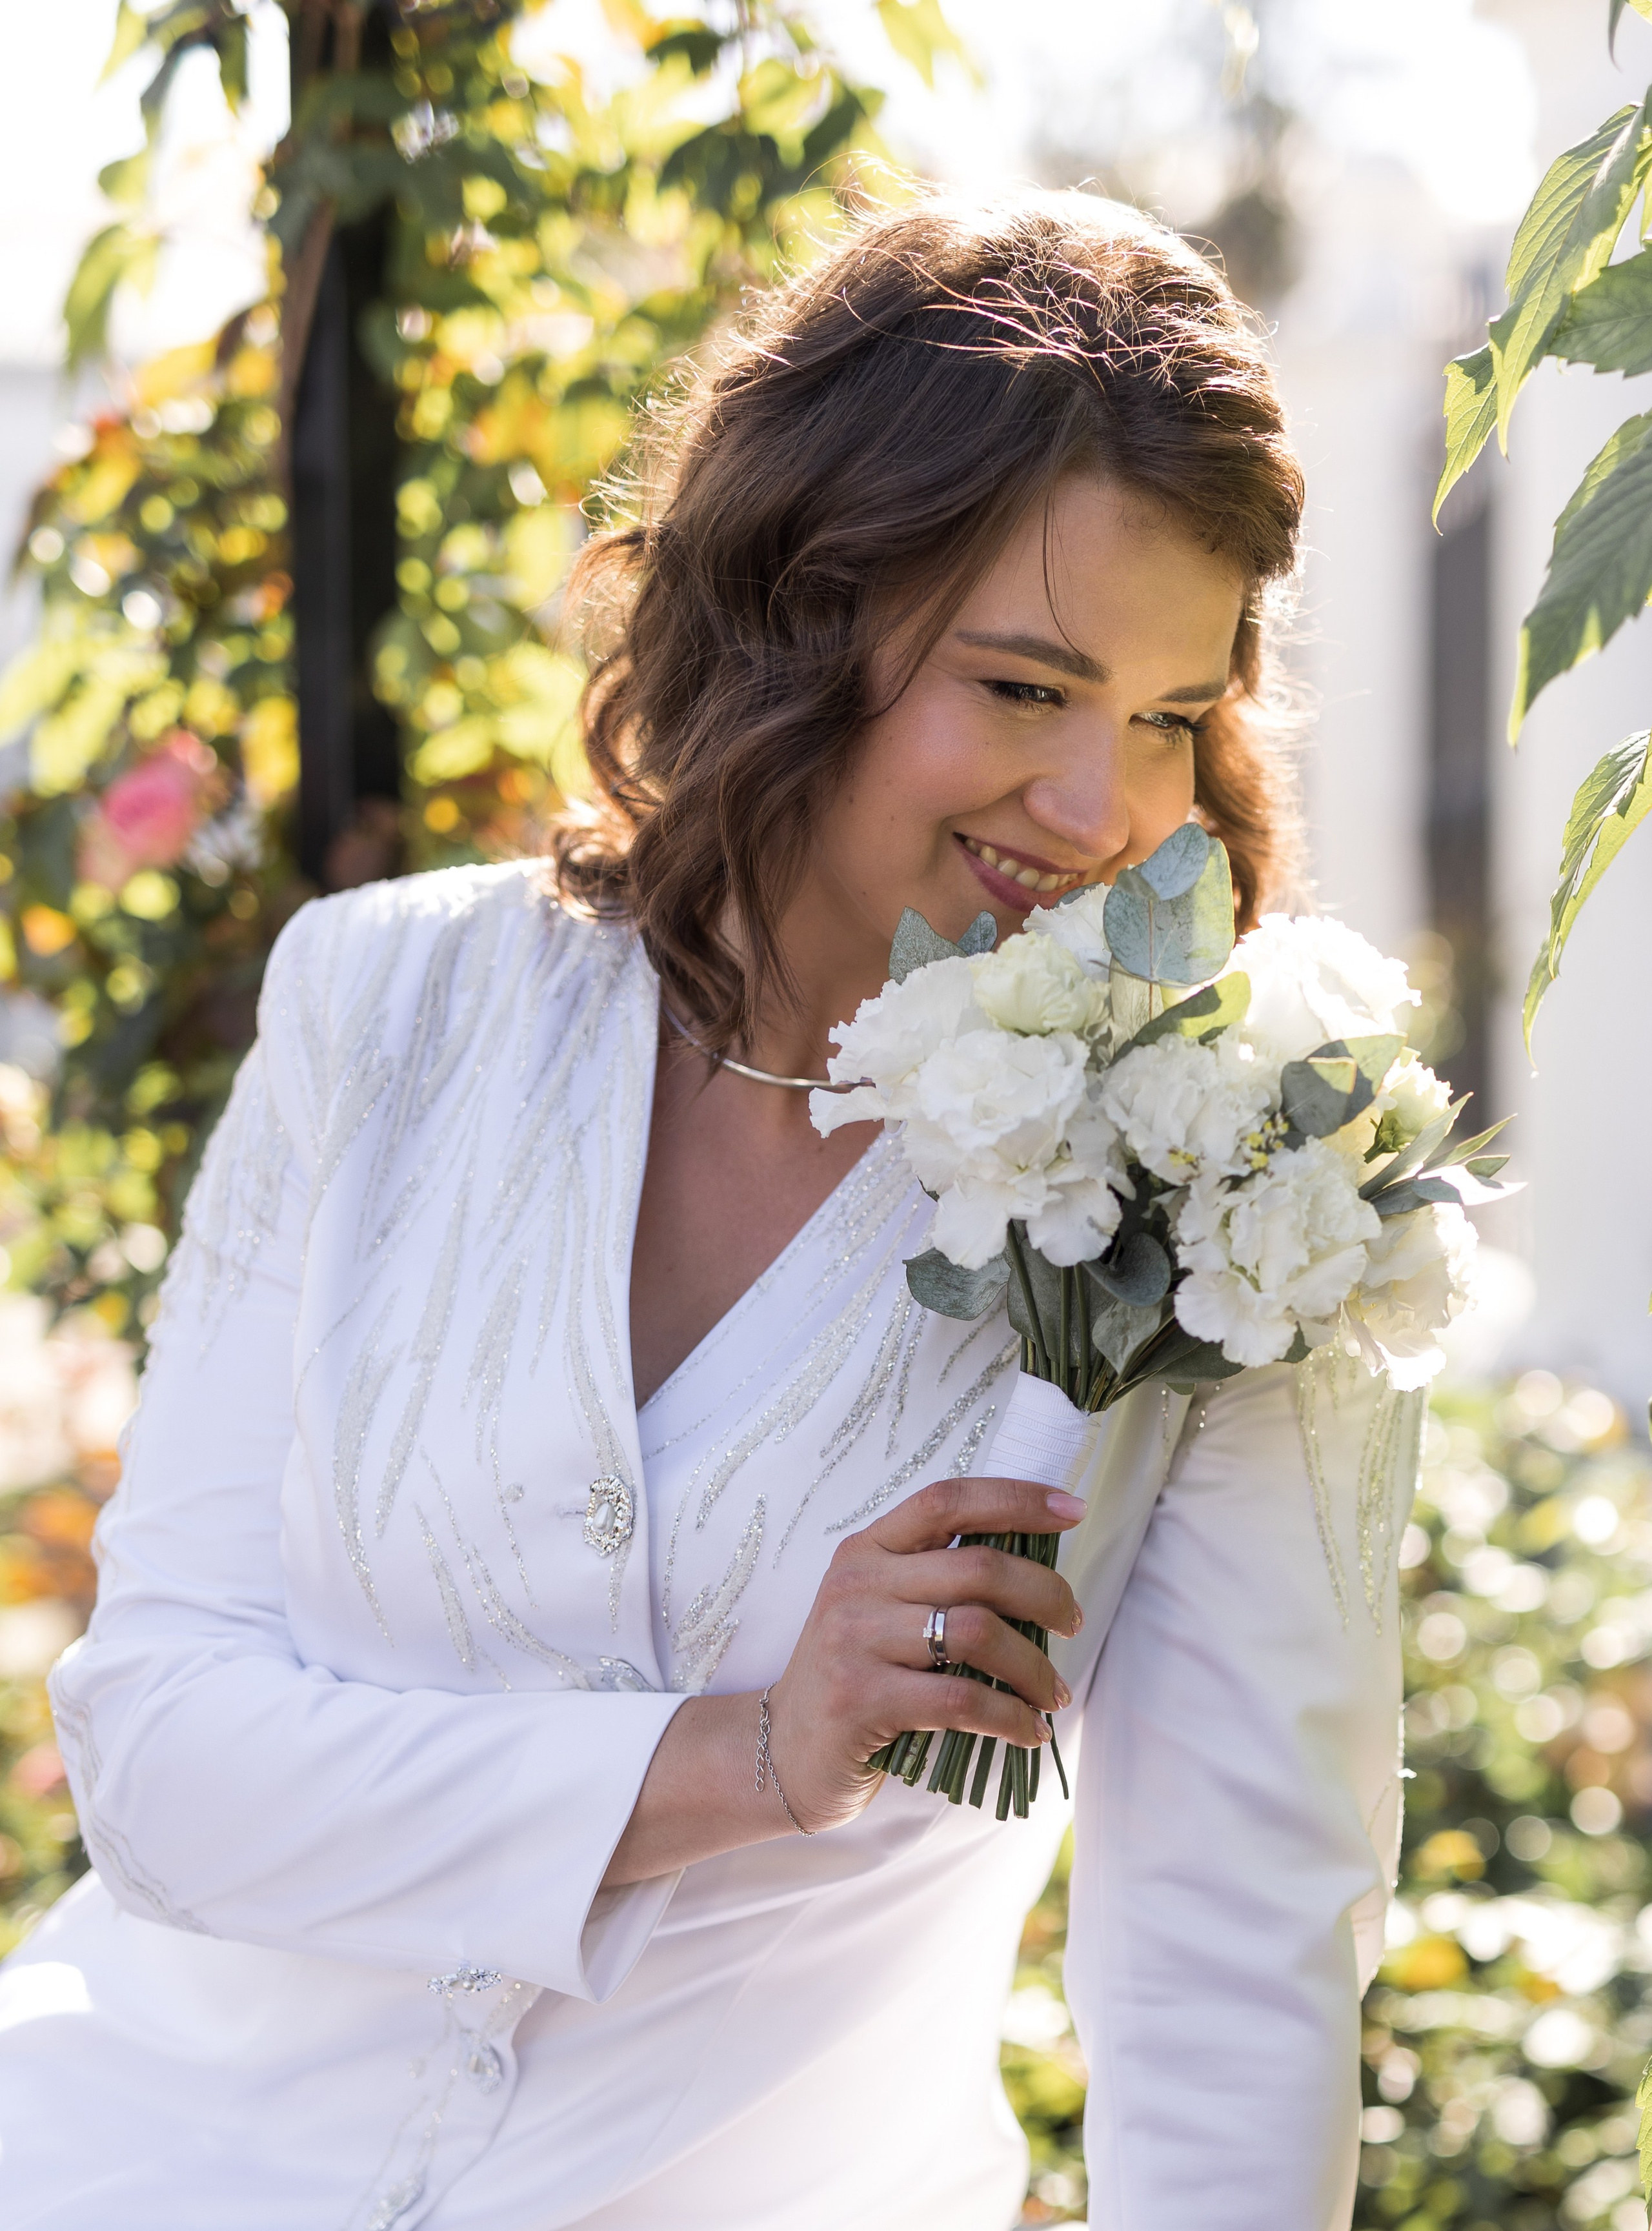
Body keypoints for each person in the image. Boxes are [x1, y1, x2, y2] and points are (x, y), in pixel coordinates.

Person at [0, 192, 1415, 2230]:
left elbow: (1235, 1967)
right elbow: (157, 1754)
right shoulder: (384, 1005)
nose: (1107, 805)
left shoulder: (1236, 1161)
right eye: (1024, 688)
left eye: (1172, 715)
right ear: (794, 614)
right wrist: (753, 1754)